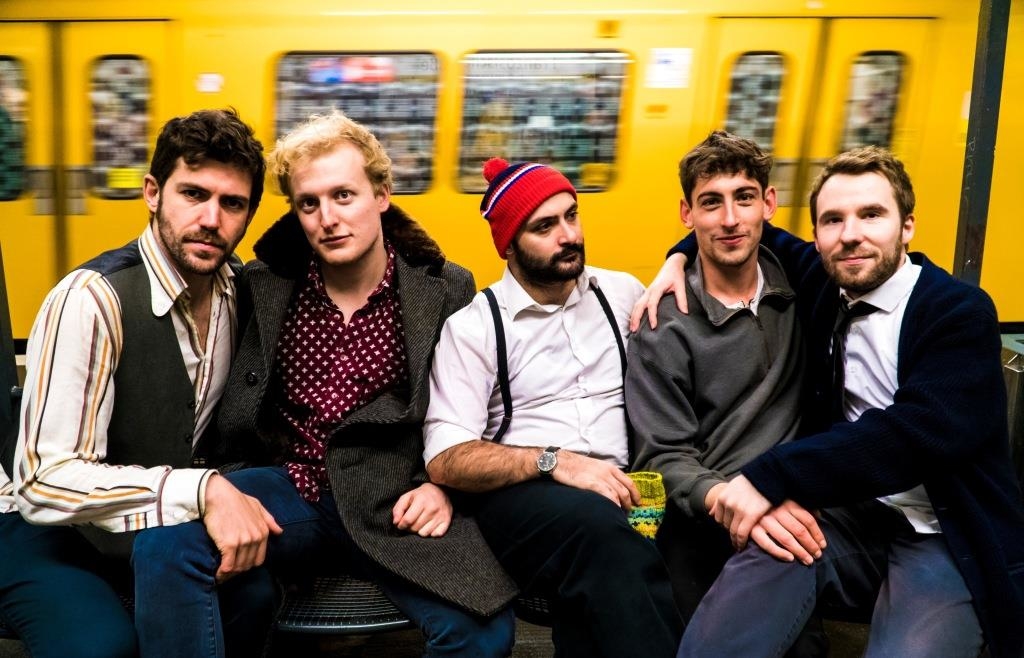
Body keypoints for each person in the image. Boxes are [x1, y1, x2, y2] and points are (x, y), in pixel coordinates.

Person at [131, 111, 517, 658]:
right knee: (165, 545)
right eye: (308, 204)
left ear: (381, 195)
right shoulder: (263, 284)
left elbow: (478, 406)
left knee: (483, 630)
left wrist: (444, 488)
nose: (328, 219)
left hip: (396, 499)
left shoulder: (444, 287)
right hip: (291, 489)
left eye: (343, 196)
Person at [639, 146, 1024, 657]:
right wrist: (678, 255)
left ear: (908, 226)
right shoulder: (825, 281)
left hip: (941, 530)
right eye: (833, 220)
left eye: (872, 215)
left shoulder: (956, 311)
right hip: (848, 517)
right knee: (751, 584)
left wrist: (771, 476)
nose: (850, 235)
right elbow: (735, 228)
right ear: (817, 235)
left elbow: (916, 434)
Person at [1, 108, 267, 658]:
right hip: (51, 528)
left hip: (150, 529)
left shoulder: (235, 290)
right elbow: (44, 482)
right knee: (101, 647)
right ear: (152, 193)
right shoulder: (91, 299)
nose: (211, 219)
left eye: (233, 203)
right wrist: (203, 489)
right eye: (193, 194)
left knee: (255, 598)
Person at [423, 157, 683, 658]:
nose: (569, 235)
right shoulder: (476, 327)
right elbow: (446, 457)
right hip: (523, 497)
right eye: (544, 227)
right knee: (600, 532)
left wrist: (680, 255)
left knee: (632, 555)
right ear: (509, 244)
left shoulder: (622, 293)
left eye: (571, 215)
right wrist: (554, 461)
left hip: (620, 487)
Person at [625, 131, 821, 622]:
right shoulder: (662, 325)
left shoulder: (806, 287)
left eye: (744, 198)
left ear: (769, 204)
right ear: (687, 214)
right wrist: (734, 499)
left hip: (794, 504)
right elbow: (663, 456)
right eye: (711, 202)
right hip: (703, 514)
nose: (730, 219)